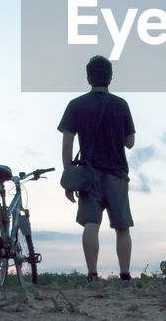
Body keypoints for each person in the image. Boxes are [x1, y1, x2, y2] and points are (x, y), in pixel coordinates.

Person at [58, 54, 135, 282]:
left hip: (88, 174)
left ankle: (92, 274)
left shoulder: (76, 105)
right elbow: (129, 142)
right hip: (117, 174)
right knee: (122, 226)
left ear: (88, 79)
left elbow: (67, 142)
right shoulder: (121, 105)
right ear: (110, 78)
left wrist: (69, 174)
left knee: (91, 223)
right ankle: (125, 275)